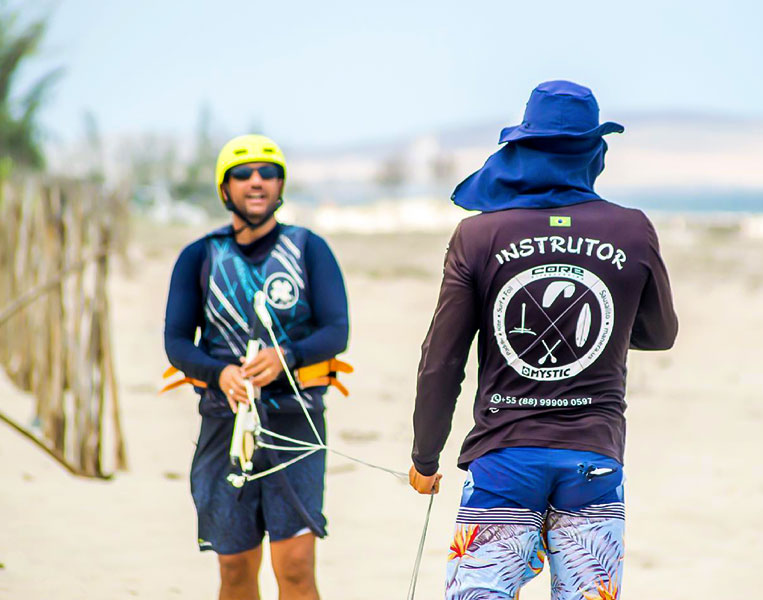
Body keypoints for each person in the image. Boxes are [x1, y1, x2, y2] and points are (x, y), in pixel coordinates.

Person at [407, 81, 678, 600]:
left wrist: (425, 457)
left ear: (523, 149)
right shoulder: (634, 230)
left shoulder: (478, 235)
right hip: (593, 458)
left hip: (504, 457)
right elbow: (660, 334)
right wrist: (599, 332)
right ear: (595, 152)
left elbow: (441, 360)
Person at [164, 134, 348, 600]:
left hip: (296, 423)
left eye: (268, 173)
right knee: (234, 569)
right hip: (224, 426)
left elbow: (336, 330)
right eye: (243, 174)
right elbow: (176, 342)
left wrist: (288, 356)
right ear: (224, 189)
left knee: (296, 568)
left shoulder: (309, 248)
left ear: (280, 185)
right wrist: (219, 373)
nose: (256, 181)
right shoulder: (199, 256)